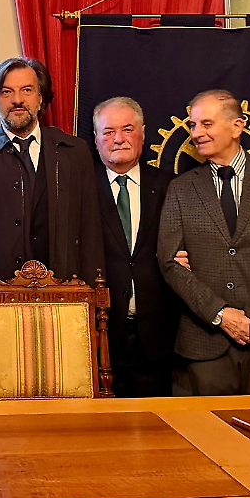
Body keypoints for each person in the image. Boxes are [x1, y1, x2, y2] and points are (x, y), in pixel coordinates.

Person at [157, 89, 250, 396]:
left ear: (237, 127)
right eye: (192, 125)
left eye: (206, 124)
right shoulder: (180, 189)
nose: (196, 133)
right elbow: (170, 263)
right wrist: (221, 314)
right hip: (204, 342)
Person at [0, 57, 104, 288]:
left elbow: (90, 233)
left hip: (63, 297)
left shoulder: (75, 152)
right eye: (6, 92)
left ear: (40, 98)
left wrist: (93, 298)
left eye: (27, 90)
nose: (17, 100)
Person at [92, 97, 179, 398]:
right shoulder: (78, 188)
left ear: (143, 133)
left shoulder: (172, 187)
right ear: (95, 138)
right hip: (98, 333)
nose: (118, 139)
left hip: (157, 336)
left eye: (127, 129)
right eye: (108, 131)